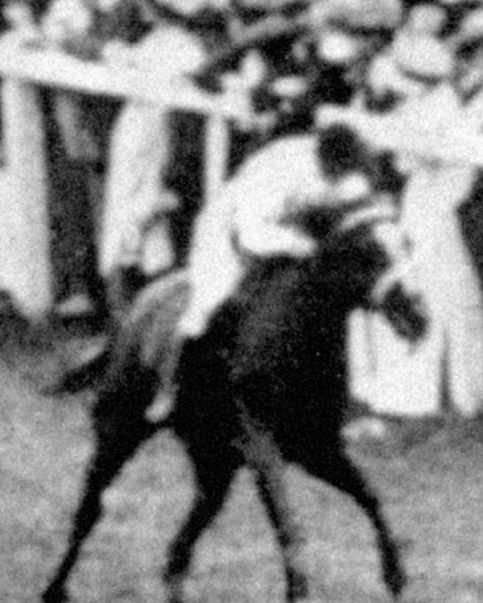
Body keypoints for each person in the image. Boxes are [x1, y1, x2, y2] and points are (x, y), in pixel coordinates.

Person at [155, 121, 396, 421]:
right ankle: (170, 390)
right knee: (207, 304)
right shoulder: (280, 171)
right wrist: (298, 244)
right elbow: (251, 235)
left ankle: (338, 400)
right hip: (230, 231)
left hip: (298, 229)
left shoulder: (346, 164)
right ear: (325, 169)